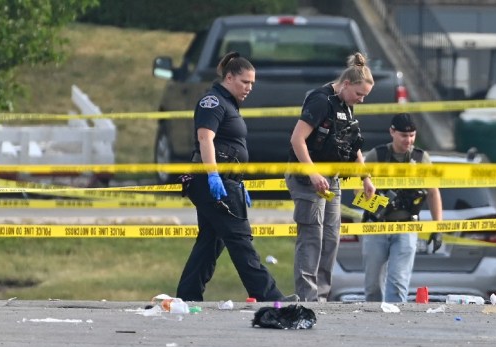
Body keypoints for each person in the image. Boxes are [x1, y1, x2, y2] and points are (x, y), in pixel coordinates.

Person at [176, 52, 290, 302]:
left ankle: (188, 295)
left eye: (252, 83)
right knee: (239, 238)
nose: (249, 88)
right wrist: (214, 175)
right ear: (229, 77)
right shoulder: (213, 102)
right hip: (213, 182)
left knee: (210, 241)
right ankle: (269, 295)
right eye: (245, 82)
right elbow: (205, 138)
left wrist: (237, 180)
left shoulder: (228, 103)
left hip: (227, 181)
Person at [286, 52, 376, 302]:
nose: (361, 100)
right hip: (308, 177)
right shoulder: (320, 100)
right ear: (346, 84)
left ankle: (322, 296)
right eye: (359, 94)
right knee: (312, 237)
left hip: (332, 179)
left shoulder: (346, 106)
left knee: (330, 238)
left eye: (365, 96)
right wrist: (312, 172)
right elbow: (297, 139)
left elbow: (353, 145)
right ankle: (307, 298)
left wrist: (365, 177)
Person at [361, 113, 443, 303]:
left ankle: (394, 324)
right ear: (392, 132)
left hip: (406, 226)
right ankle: (373, 325)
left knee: (398, 284)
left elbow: (433, 192)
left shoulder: (421, 158)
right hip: (377, 226)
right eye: (404, 136)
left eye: (412, 135)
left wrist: (438, 228)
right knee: (372, 286)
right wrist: (378, 205)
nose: (409, 140)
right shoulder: (378, 155)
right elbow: (357, 188)